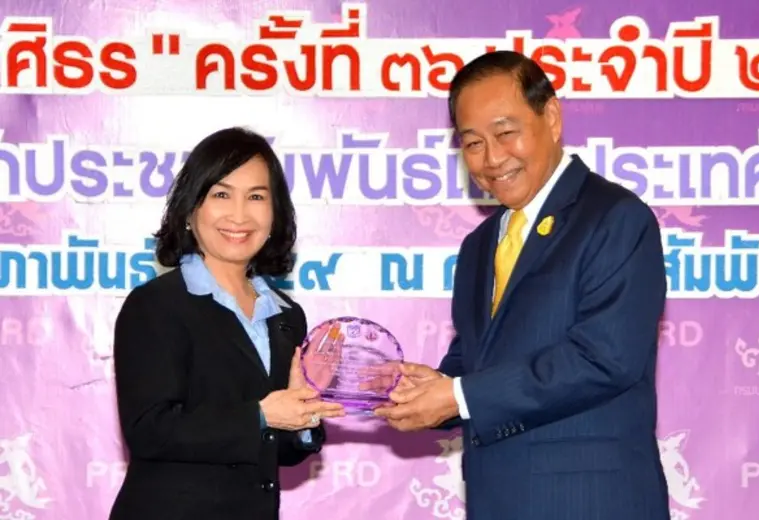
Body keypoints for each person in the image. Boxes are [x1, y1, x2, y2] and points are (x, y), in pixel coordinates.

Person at [375, 51, 670, 519]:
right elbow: (477, 361)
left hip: (588, 504)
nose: (492, 159)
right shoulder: (479, 245)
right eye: (473, 143)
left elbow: (604, 358)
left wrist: (458, 396)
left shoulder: (615, 217)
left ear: (551, 117)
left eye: (505, 133)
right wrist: (427, 389)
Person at [109, 127, 344, 520]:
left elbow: (279, 451)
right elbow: (149, 430)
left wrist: (302, 412)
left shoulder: (286, 315)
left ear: (275, 213)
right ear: (190, 209)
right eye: (221, 194)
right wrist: (263, 415)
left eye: (256, 197)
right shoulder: (155, 305)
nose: (239, 214)